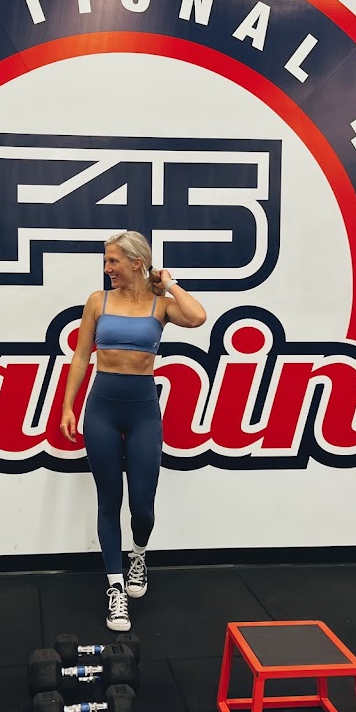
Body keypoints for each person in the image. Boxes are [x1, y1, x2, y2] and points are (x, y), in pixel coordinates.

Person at [60, 232, 207, 632]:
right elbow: (81, 355)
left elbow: (197, 316)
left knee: (142, 504)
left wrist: (169, 282)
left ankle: (138, 554)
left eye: (113, 261)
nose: (107, 268)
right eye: (106, 261)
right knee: (109, 500)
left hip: (142, 411)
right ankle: (115, 588)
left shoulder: (161, 305)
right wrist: (68, 406)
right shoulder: (98, 301)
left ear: (136, 262)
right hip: (102, 410)